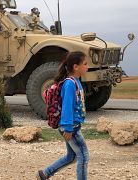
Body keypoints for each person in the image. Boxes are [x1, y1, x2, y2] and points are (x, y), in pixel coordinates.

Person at [36, 51, 89, 180]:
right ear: (76, 66)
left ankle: (45, 174)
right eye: (85, 64)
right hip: (71, 127)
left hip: (71, 126)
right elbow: (67, 107)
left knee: (71, 156)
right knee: (83, 155)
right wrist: (68, 127)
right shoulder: (70, 83)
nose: (87, 67)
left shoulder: (75, 81)